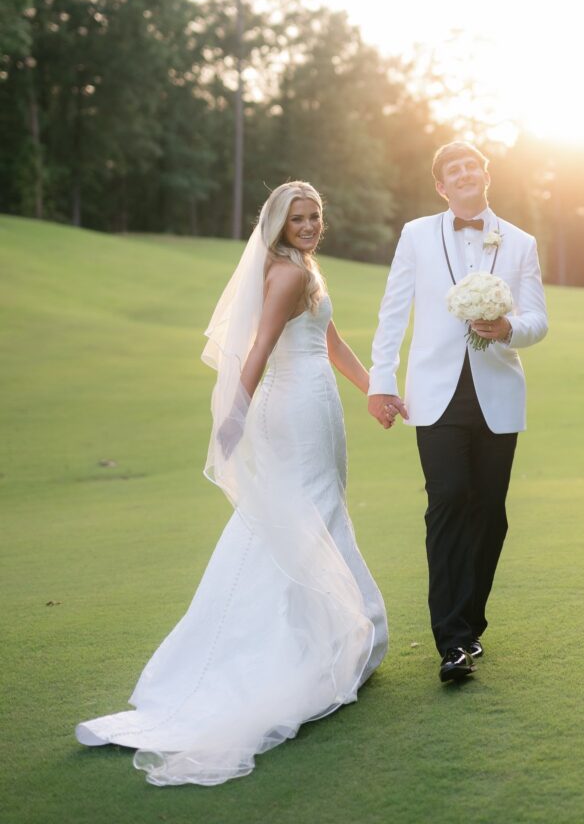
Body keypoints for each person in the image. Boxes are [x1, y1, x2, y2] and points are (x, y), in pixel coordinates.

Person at [76, 182, 388, 785]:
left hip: (315, 402)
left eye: (315, 216)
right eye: (297, 218)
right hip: (292, 408)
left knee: (311, 511)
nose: (309, 226)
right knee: (301, 512)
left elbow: (330, 339)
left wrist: (373, 386)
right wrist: (234, 417)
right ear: (276, 223)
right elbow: (259, 347)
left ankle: (320, 629)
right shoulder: (288, 275)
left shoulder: (300, 266)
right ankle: (306, 644)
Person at [368, 142, 547, 683]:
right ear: (442, 187)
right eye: (453, 170)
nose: (464, 173)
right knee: (447, 501)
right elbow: (394, 310)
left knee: (490, 512)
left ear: (485, 176)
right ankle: (451, 640)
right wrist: (382, 381)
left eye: (472, 165)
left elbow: (538, 318)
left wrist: (509, 328)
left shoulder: (520, 242)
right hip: (435, 394)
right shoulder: (416, 234)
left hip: (498, 393)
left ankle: (470, 626)